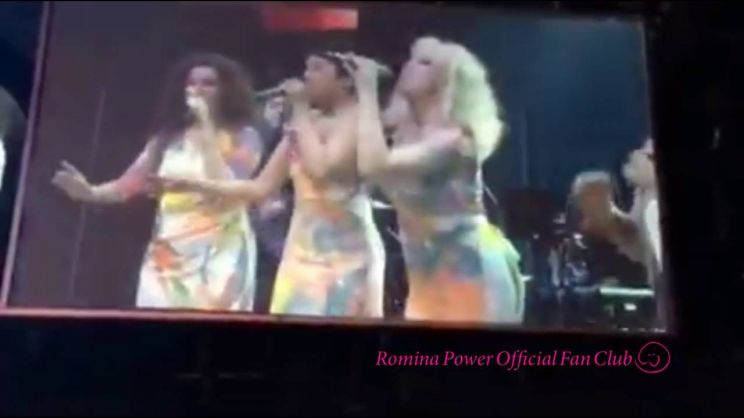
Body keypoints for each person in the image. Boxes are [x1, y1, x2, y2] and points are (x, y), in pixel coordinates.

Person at [155, 51, 386, 318]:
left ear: (345, 81)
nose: (306, 76)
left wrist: (299, 109)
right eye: (306, 68)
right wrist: (194, 185)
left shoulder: (357, 119)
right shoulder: (305, 123)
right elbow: (260, 188)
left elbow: (321, 170)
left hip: (347, 255)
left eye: (317, 69)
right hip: (300, 254)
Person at [51, 53, 263, 311]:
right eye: (192, 83)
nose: (197, 90)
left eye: (208, 83)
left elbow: (226, 189)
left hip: (220, 251)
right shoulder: (166, 139)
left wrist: (206, 128)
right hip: (169, 252)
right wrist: (90, 192)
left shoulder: (244, 137)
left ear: (226, 90)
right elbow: (126, 186)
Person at [349, 36, 525, 324]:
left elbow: (373, 165)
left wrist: (366, 89)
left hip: (472, 271)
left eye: (425, 63)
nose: (409, 65)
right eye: (412, 59)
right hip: (425, 279)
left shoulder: (457, 140)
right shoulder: (403, 137)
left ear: (448, 82)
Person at [572, 138, 667, 328]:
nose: (635, 157)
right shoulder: (643, 195)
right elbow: (638, 244)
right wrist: (607, 216)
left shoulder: (651, 197)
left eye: (648, 156)